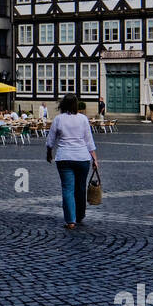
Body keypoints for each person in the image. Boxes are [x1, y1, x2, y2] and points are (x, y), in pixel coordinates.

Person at [46, 95, 98, 230]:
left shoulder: (58, 119)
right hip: (82, 157)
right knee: (80, 188)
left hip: (64, 157)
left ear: (62, 105)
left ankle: (70, 221)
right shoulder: (83, 119)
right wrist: (95, 159)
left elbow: (51, 139)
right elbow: (89, 140)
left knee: (67, 189)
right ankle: (80, 215)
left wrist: (49, 153)